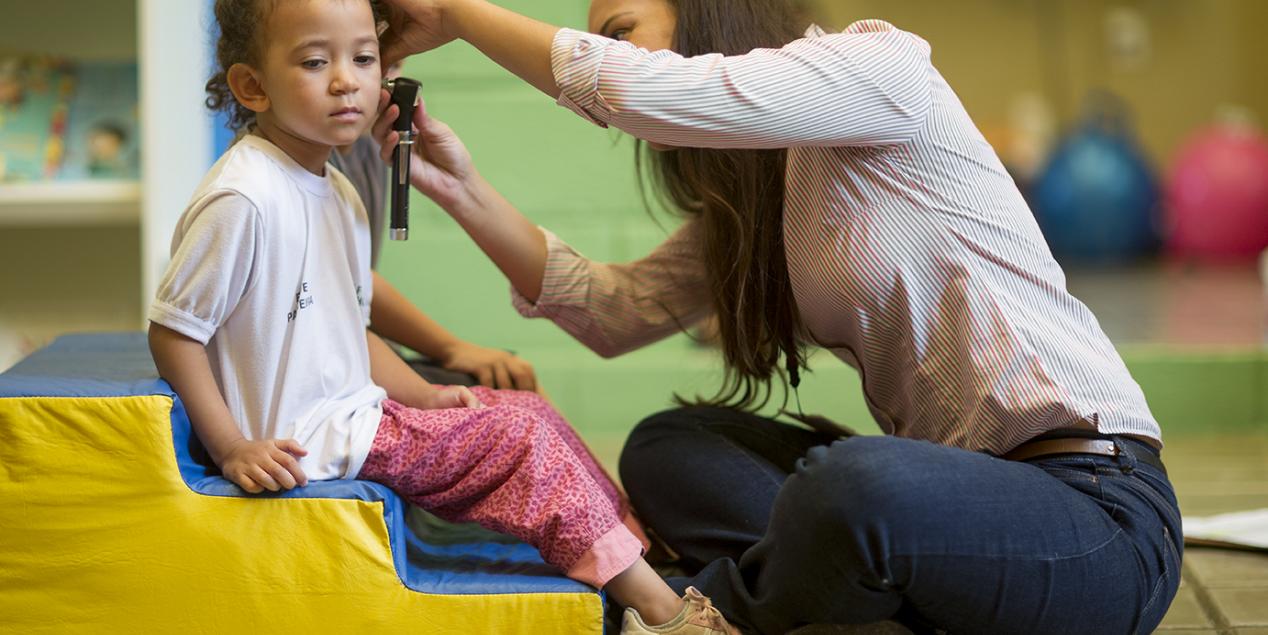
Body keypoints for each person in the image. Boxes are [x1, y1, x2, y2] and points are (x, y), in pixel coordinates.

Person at [372, 0, 1183, 633]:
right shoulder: (770, 193)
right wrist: (461, 190)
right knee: (669, 446)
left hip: (1095, 517)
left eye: (623, 31)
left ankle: (680, 610)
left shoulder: (880, 66)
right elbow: (614, 311)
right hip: (947, 513)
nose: (616, 53)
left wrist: (456, 15)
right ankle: (856, 607)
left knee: (855, 489)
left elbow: (631, 87)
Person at [147, 1, 722, 632]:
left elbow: (346, 329)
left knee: (526, 411)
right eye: (316, 62)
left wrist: (427, 394)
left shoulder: (334, 190)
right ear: (252, 85)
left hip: (356, 418)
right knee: (519, 444)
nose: (347, 80)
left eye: (364, 58)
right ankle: (665, 615)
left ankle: (642, 561)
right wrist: (232, 447)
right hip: (307, 442)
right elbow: (174, 331)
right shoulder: (243, 197)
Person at [330, 65, 539, 391]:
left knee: (516, 380)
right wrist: (450, 351)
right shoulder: (294, 167)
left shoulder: (370, 141)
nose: (386, 82)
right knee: (508, 405)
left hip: (364, 353)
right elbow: (343, 279)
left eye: (389, 64)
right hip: (334, 372)